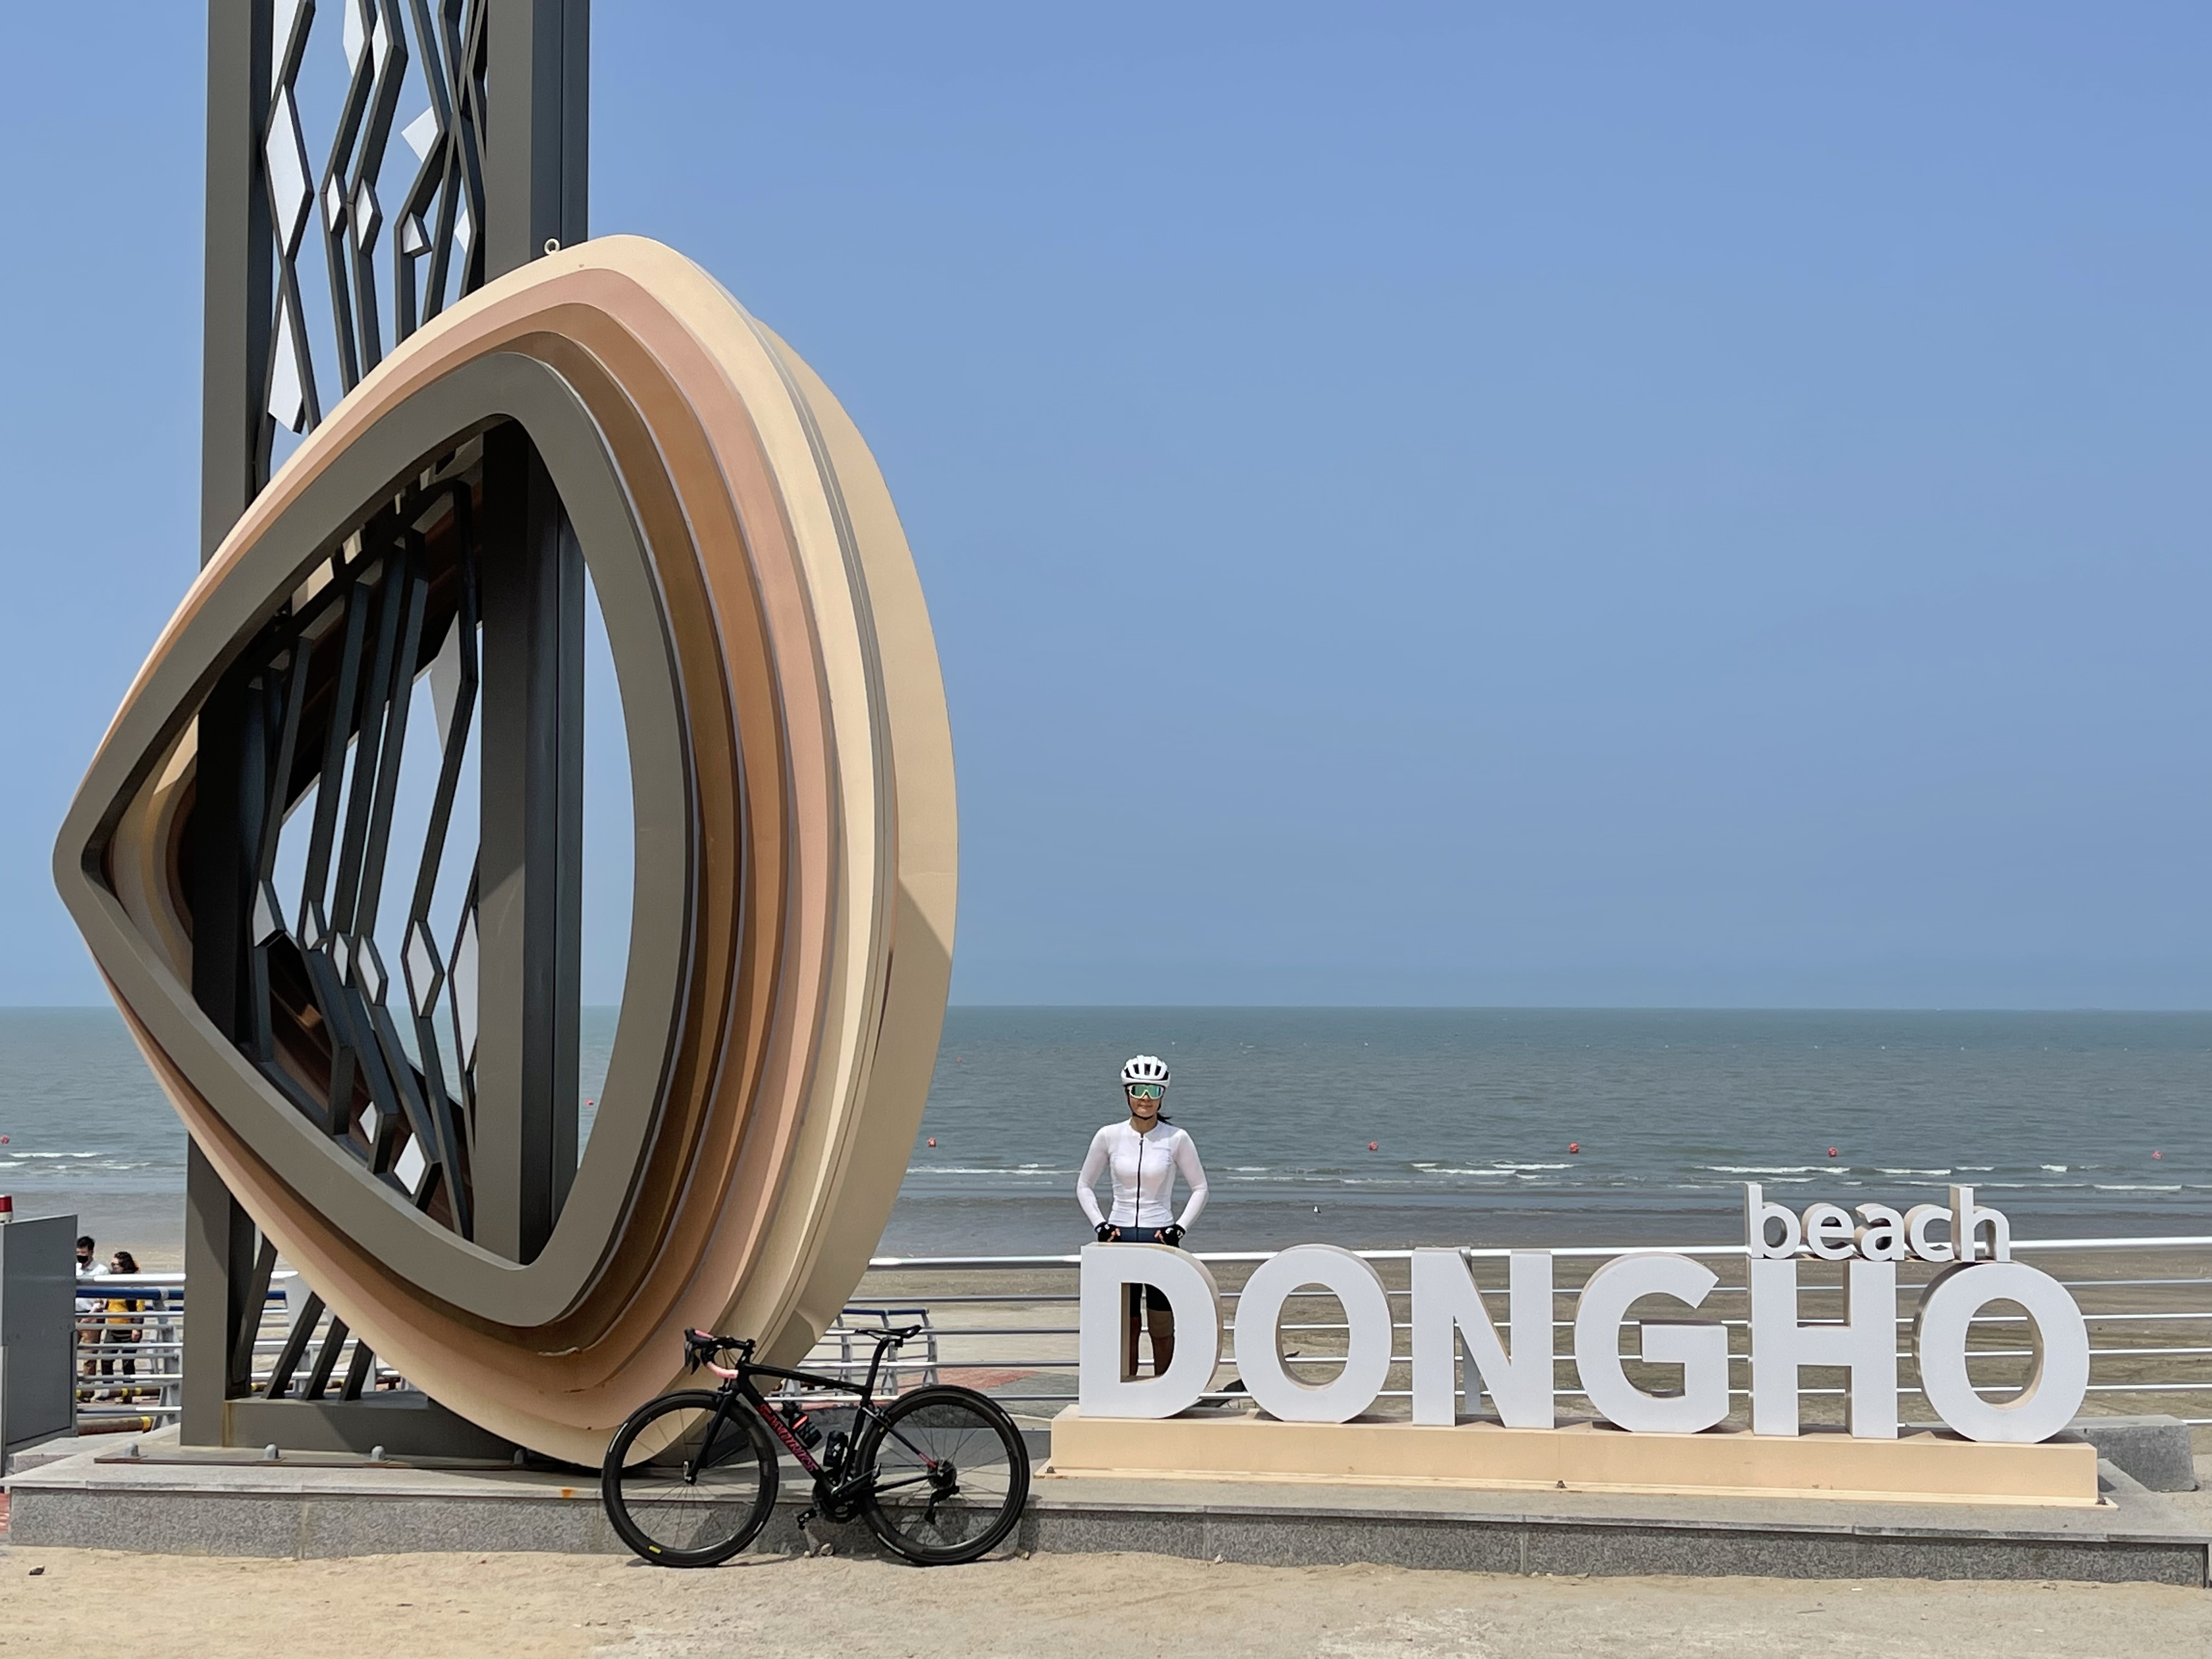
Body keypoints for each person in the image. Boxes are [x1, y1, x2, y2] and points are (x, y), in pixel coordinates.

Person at [1075, 1055, 1209, 1378]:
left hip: (1160, 1239)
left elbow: (1201, 1188)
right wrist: (1100, 1224)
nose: (1146, 1098)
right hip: (1117, 1240)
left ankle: (1167, 1393)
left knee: (1161, 1327)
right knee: (1126, 1327)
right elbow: (1083, 1185)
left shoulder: (1176, 1139)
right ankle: (1125, 1391)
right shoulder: (1108, 1136)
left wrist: (1179, 1228)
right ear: (1127, 1093)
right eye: (1138, 1090)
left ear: (1163, 1095)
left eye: (1153, 1090)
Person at [97, 1250, 144, 1402]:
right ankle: (109, 1391)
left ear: (124, 1267)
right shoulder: (113, 1282)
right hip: (113, 1328)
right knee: (106, 1359)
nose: (113, 1268)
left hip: (129, 1329)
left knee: (128, 1363)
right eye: (112, 1265)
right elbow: (110, 1303)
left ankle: (128, 1394)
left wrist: (137, 1328)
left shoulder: (134, 1285)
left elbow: (139, 1308)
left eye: (115, 1265)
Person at [74, 1235, 107, 1397]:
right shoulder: (74, 1268)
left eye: (83, 1253)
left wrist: (92, 1314)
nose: (80, 1256)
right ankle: (70, 1387)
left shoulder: (101, 1270)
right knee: (67, 1353)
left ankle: (87, 1392)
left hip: (92, 1316)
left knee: (89, 1356)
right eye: (78, 1253)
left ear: (91, 1252)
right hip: (73, 1315)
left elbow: (103, 1298)